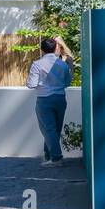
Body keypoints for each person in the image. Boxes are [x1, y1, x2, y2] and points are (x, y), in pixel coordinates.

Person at [26, 36, 74, 167]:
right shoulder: (63, 64)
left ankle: (56, 158)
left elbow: (31, 84)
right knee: (55, 129)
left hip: (44, 99)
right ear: (55, 48)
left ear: (42, 49)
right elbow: (67, 82)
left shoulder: (37, 64)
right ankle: (48, 155)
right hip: (60, 98)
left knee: (48, 129)